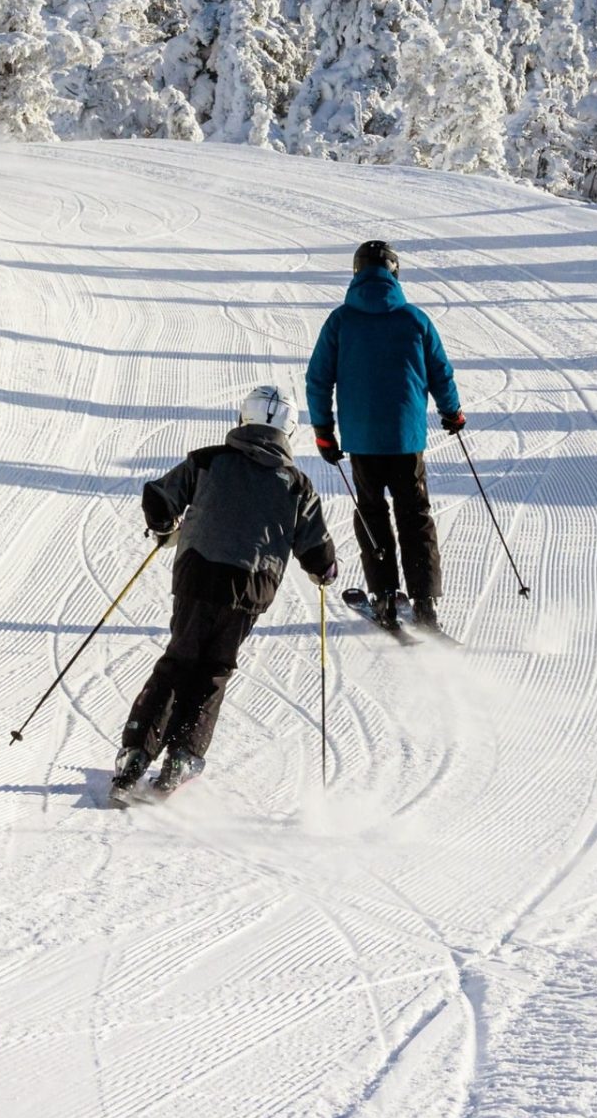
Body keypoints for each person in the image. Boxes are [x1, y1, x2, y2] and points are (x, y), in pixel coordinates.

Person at [113, 385, 338, 801]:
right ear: (290, 430)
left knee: (180, 658)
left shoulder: (208, 460)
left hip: (198, 570)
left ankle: (136, 754)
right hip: (249, 585)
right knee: (213, 667)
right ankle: (182, 755)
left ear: (242, 418)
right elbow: (316, 546)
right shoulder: (296, 484)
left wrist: (164, 529)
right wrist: (324, 570)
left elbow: (159, 497)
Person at [306, 240, 464, 635]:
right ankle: (424, 604)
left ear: (357, 273)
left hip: (362, 442)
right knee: (415, 516)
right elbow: (440, 372)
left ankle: (385, 599)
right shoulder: (414, 319)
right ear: (395, 273)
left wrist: (324, 431)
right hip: (406, 440)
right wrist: (452, 413)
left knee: (372, 514)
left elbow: (318, 379)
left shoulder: (341, 321)